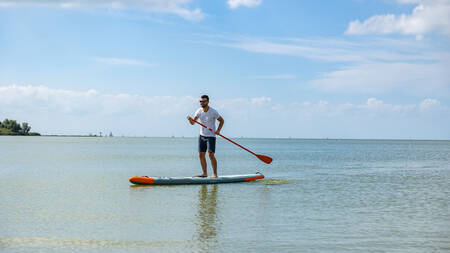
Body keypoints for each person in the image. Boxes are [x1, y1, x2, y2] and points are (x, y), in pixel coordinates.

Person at [188, 95, 224, 178]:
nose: (201, 103)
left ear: (208, 102)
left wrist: (218, 131)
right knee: (201, 154)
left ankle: (215, 174)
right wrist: (190, 120)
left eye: (203, 101)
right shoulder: (199, 111)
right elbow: (193, 123)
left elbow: (222, 121)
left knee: (211, 154)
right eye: (200, 101)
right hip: (202, 135)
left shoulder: (213, 112)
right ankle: (204, 173)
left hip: (211, 136)